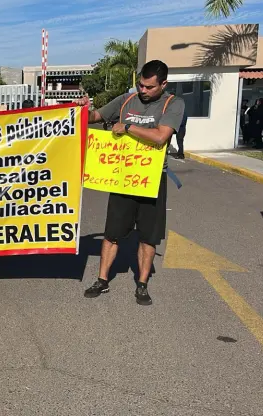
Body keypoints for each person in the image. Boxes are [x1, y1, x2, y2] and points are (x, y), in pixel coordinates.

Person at [74, 60, 185, 306]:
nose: (142, 91)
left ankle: (142, 285)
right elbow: (95, 116)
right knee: (112, 233)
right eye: (140, 85)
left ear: (163, 84)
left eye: (149, 87)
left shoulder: (173, 104)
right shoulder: (126, 100)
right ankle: (102, 280)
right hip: (122, 178)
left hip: (151, 180)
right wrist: (83, 109)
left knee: (148, 237)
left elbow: (160, 136)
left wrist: (128, 127)